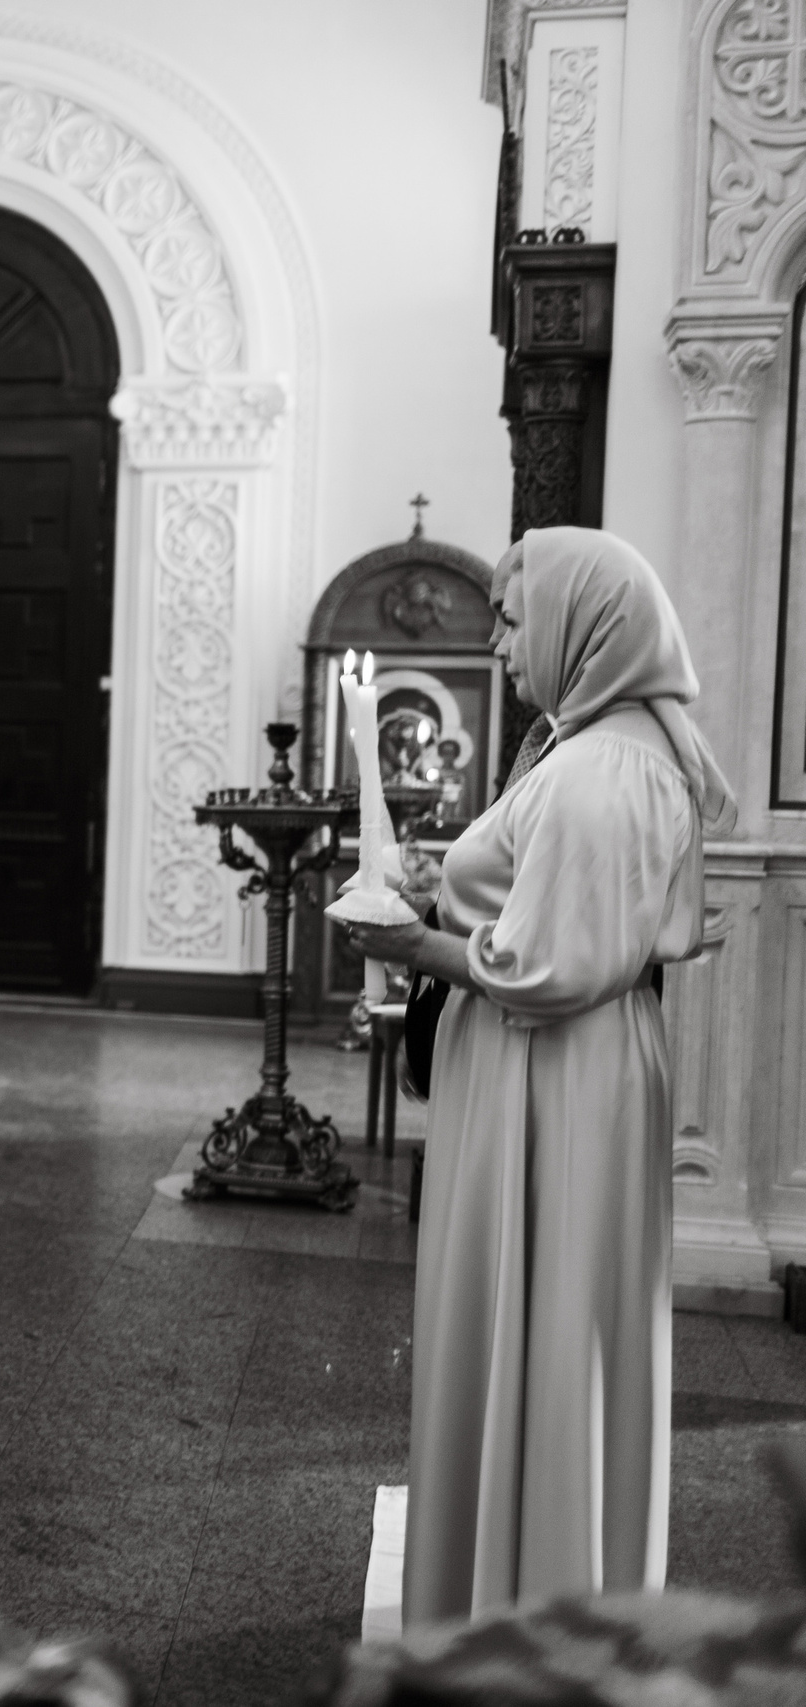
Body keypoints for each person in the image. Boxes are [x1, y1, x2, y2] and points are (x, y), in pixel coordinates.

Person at [344, 526, 729, 1623]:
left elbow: (544, 968)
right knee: (553, 1326)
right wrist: (452, 885)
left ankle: (525, 1595)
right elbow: (541, 894)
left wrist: (407, 941)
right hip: (558, 1067)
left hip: (547, 1076)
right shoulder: (594, 742)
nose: (501, 640)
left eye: (515, 618)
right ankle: (528, 1570)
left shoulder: (601, 768)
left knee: (544, 1325)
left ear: (583, 622)